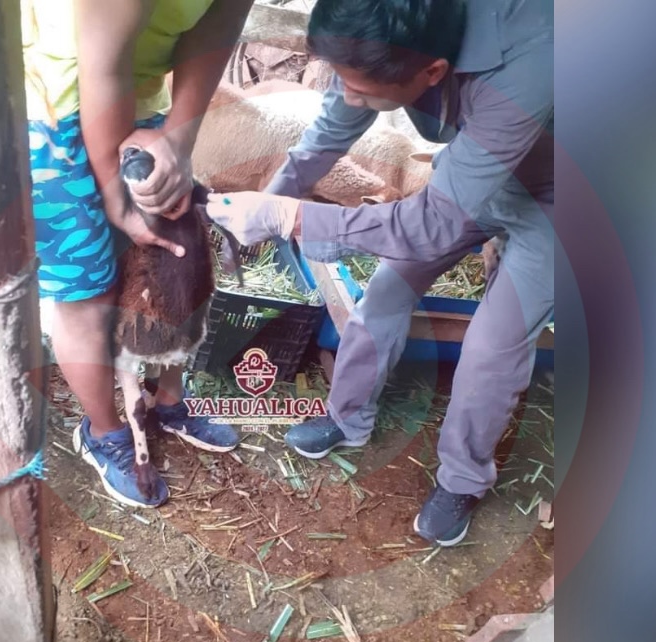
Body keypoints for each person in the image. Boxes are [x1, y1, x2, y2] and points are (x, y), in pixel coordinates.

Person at [207, 0, 553, 544]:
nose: (348, 97)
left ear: (433, 71)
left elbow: (433, 224)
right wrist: (267, 205)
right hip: (469, 178)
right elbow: (326, 135)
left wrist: (290, 218)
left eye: (361, 89)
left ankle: (462, 481)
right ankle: (347, 418)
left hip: (555, 203)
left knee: (492, 348)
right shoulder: (384, 33)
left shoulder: (535, 56)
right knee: (385, 293)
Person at [23, 0, 252, 507]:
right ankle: (104, 433)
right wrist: (112, 190)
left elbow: (218, 24)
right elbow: (103, 64)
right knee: (89, 292)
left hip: (143, 102)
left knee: (171, 263)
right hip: (56, 113)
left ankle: (167, 399)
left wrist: (178, 139)